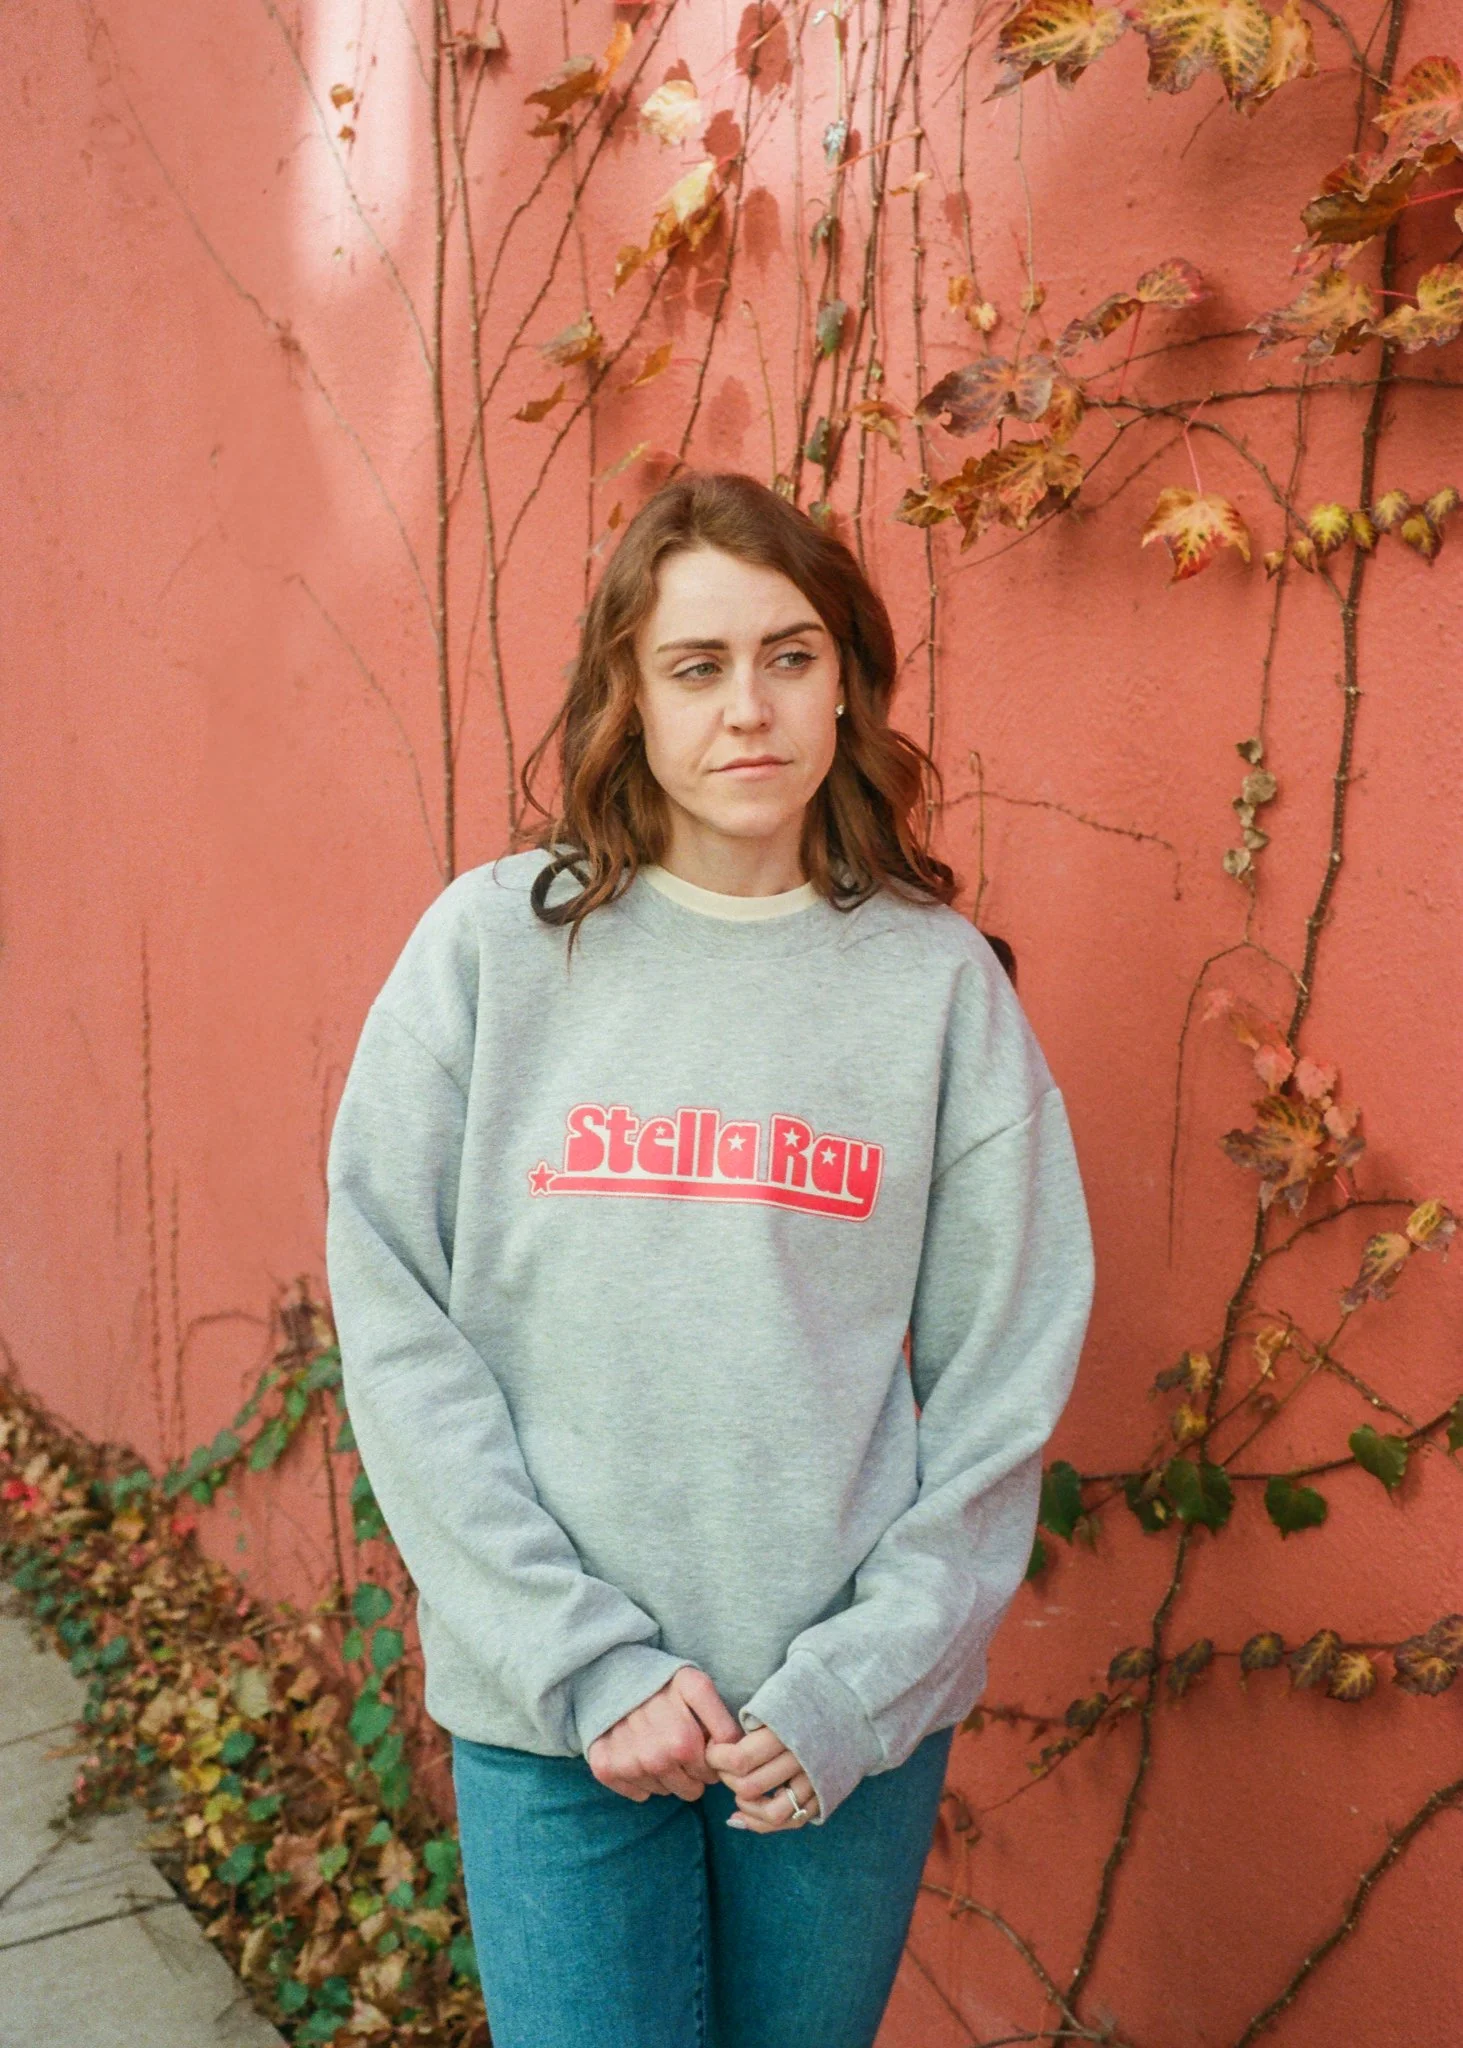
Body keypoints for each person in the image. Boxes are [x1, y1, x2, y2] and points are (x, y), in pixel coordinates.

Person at [324, 471, 1095, 2048]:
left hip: (822, 1745)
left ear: (845, 684)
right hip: (554, 1723)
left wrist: (855, 1688)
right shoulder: (492, 950)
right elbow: (398, 1326)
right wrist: (580, 1660)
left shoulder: (934, 990)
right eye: (696, 665)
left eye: (790, 655)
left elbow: (1004, 1381)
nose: (748, 707)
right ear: (628, 692)